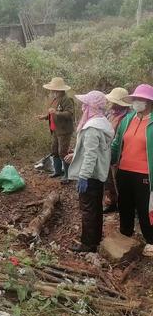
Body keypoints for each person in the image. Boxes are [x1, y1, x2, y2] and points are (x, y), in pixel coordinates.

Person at [66, 91, 114, 253]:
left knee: (88, 209)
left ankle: (88, 244)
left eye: (85, 104)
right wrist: (76, 154)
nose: (82, 107)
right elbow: (95, 149)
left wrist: (83, 176)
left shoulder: (93, 127)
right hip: (98, 174)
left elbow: (91, 155)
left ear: (92, 106)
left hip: (91, 175)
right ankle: (95, 238)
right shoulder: (102, 122)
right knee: (95, 208)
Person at [111, 84, 153, 244]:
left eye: (140, 99)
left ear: (149, 102)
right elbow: (117, 143)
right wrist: (111, 159)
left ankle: (150, 240)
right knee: (124, 204)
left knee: (145, 208)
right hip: (124, 171)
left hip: (145, 174)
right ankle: (125, 234)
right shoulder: (127, 119)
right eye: (135, 99)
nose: (136, 102)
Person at [37, 77, 75, 183]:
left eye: (54, 89)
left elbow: (70, 113)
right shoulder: (55, 99)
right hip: (55, 130)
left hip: (64, 131)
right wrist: (44, 117)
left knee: (63, 152)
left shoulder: (66, 99)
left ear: (59, 89)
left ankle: (68, 176)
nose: (52, 90)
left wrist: (56, 113)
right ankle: (58, 171)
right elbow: (52, 113)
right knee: (54, 151)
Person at [103, 87, 130, 213]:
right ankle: (112, 202)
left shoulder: (127, 117)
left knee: (118, 180)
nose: (111, 104)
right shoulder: (111, 114)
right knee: (109, 181)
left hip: (120, 153)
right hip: (107, 150)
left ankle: (125, 206)